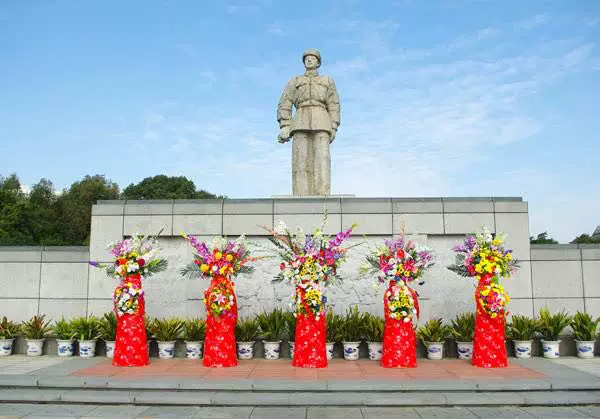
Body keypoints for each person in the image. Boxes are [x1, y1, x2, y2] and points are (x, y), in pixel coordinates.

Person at [277, 49, 340, 196]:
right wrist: (285, 124)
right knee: (300, 160)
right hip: (300, 119)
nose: (309, 60)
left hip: (322, 119)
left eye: (312, 58)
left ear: (318, 62)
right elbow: (285, 102)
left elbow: (334, 104)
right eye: (307, 58)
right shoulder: (295, 81)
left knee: (322, 159)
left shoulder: (327, 81)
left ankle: (323, 195)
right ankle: (300, 195)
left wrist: (334, 126)